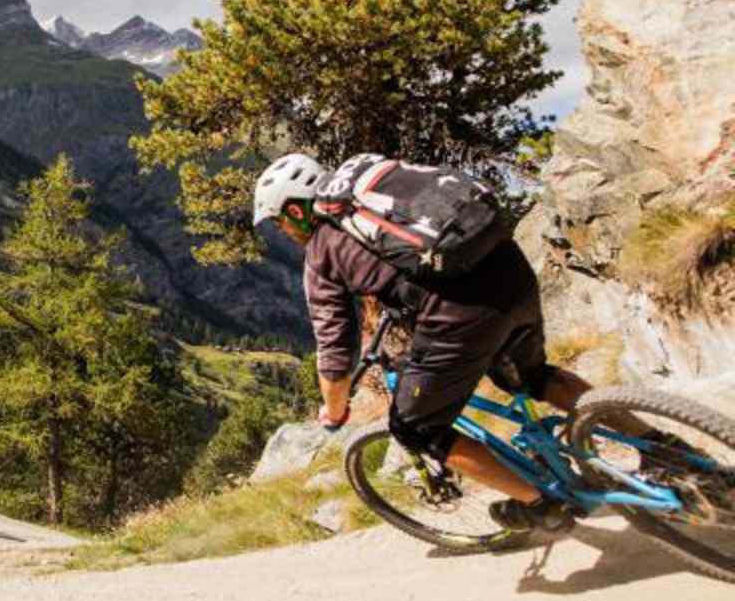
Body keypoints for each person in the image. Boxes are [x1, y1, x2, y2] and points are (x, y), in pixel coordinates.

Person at [253, 153, 660, 532]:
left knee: (414, 427)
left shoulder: (322, 252)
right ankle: (661, 447)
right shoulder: (367, 179)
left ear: (294, 210)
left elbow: (334, 353)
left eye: (280, 223)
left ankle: (543, 506)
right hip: (510, 269)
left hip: (460, 314)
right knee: (535, 376)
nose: (284, 232)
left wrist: (335, 412)